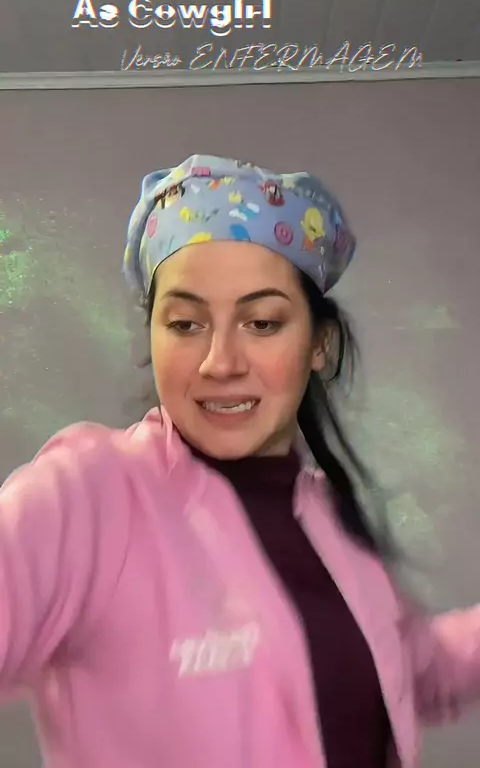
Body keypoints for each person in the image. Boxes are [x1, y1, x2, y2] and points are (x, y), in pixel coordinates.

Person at [1, 154, 480, 768]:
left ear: (319, 344)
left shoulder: (328, 518)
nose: (219, 362)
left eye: (261, 322)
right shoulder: (89, 496)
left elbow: (412, 672)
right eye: (185, 324)